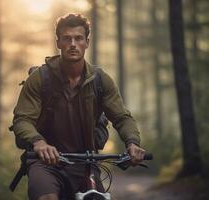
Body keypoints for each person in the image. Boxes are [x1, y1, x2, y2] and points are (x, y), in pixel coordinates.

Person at [12, 13, 146, 200]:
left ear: (87, 43)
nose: (73, 44)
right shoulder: (40, 78)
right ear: (58, 43)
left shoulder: (100, 80)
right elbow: (22, 120)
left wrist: (132, 144)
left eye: (78, 38)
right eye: (67, 38)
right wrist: (39, 143)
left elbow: (122, 117)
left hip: (87, 162)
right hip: (45, 163)